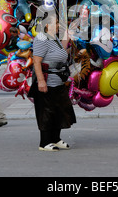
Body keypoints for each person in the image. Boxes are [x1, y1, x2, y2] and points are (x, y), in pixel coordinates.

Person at [28, 16, 76, 151]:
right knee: (46, 112)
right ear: (47, 25)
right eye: (56, 23)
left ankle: (55, 139)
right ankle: (44, 142)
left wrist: (68, 32)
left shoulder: (54, 39)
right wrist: (41, 81)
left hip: (59, 81)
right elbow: (36, 61)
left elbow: (63, 49)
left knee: (59, 110)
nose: (58, 25)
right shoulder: (42, 38)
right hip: (47, 81)